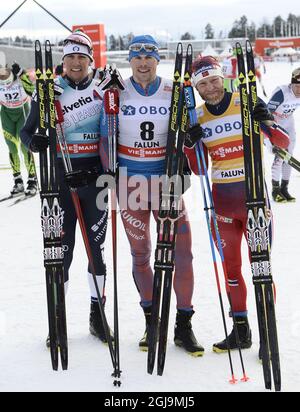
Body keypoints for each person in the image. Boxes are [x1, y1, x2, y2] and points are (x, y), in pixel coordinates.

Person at [99, 35, 204, 356]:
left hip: (166, 181)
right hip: (131, 184)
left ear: (158, 60)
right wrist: (111, 174)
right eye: (137, 57)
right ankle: (151, 320)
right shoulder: (116, 93)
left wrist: (188, 147)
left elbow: (191, 137)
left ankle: (184, 324)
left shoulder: (175, 92)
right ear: (129, 60)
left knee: (181, 254)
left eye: (149, 57)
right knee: (141, 254)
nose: (143, 62)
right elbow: (105, 139)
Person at [183, 56, 289, 353]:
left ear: (223, 78)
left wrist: (265, 119)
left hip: (254, 201)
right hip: (223, 204)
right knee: (231, 269)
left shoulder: (245, 99)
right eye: (203, 84)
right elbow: (201, 168)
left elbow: (281, 142)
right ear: (197, 88)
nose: (211, 88)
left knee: (261, 268)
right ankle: (241, 330)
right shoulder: (200, 117)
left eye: (214, 80)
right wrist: (190, 144)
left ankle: (269, 334)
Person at [20, 30, 112, 344]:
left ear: (90, 60)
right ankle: (57, 320)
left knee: (96, 252)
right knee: (62, 252)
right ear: (63, 60)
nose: (76, 62)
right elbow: (26, 131)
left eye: (81, 57)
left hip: (94, 179)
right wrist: (34, 142)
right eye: (70, 56)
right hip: (59, 179)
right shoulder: (49, 90)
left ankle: (97, 316)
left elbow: (115, 131)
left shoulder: (104, 87)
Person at [0, 63, 37, 196]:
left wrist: (21, 73)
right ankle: (18, 181)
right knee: (12, 147)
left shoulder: (17, 76)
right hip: (6, 114)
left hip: (22, 112)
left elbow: (32, 90)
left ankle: (32, 181)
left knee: (24, 147)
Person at [268, 67, 300, 202]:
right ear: (291, 84)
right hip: (275, 121)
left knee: (289, 156)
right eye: (297, 86)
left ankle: (284, 188)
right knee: (279, 157)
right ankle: (275, 190)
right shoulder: (281, 92)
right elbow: (266, 113)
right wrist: (270, 138)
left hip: (289, 121)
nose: (299, 90)